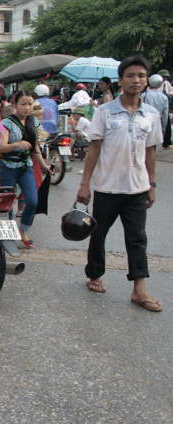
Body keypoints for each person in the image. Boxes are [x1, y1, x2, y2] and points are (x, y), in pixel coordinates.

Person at [77, 55, 162, 312]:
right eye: (130, 76)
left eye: (141, 76)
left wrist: (152, 184)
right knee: (98, 234)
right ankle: (94, 274)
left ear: (146, 80)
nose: (136, 80)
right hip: (107, 187)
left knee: (137, 239)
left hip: (136, 188)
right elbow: (94, 149)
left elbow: (150, 152)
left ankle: (139, 289)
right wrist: (85, 185)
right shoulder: (105, 112)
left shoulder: (151, 114)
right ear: (121, 80)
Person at [0, 90, 52, 248]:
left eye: (30, 104)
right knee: (6, 203)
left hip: (26, 166)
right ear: (15, 105)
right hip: (8, 166)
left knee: (33, 201)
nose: (27, 107)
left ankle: (23, 230)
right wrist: (17, 145)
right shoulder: (6, 123)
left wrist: (44, 165)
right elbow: (1, 147)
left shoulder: (33, 122)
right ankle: (7, 236)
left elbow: (35, 146)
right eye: (23, 104)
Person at [142, 74, 170, 144]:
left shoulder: (143, 95)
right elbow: (165, 115)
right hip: (158, 122)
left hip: (145, 122)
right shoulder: (164, 97)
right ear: (160, 84)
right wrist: (163, 127)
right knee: (154, 144)